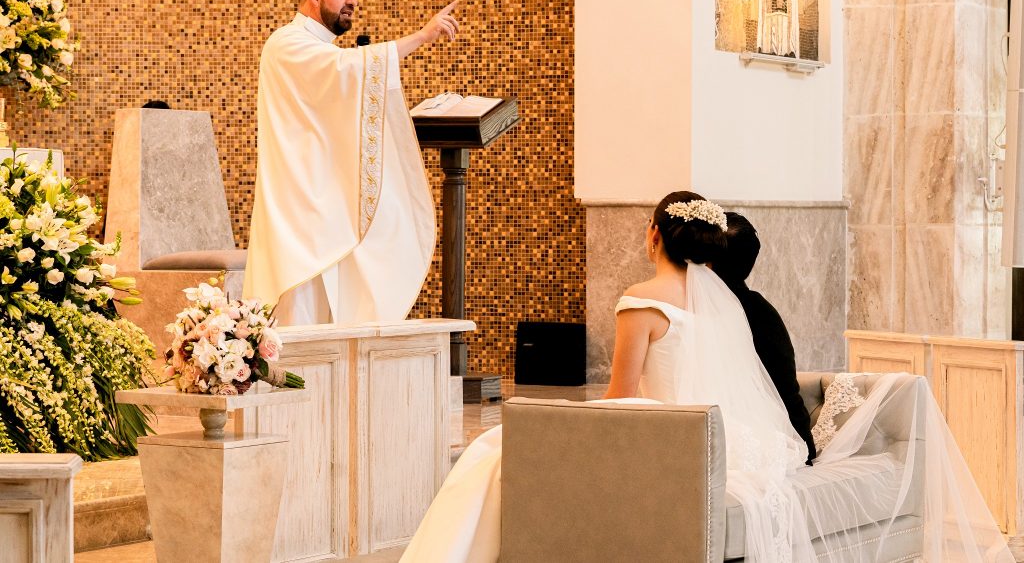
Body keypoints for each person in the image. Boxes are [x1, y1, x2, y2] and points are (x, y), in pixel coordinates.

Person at [401, 191, 1015, 562]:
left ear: (652, 236)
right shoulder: (727, 305)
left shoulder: (641, 301)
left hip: (666, 437)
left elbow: (616, 400)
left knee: (490, 449)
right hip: (742, 440)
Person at [244, 0, 459, 325]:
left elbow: (344, 81)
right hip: (298, 203)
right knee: (302, 310)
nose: (353, 1)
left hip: (319, 198)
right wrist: (422, 36)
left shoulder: (317, 48)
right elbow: (348, 68)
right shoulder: (288, 42)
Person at [713, 211, 816, 464]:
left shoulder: (753, 314)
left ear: (708, 262)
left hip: (783, 440)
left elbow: (781, 391)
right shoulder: (744, 306)